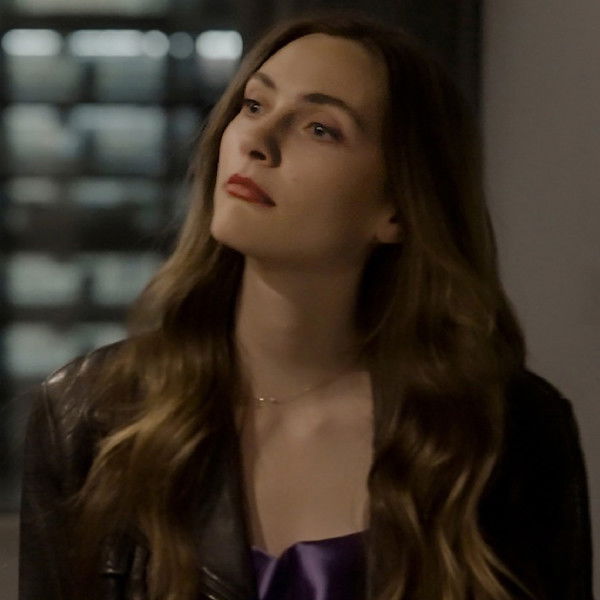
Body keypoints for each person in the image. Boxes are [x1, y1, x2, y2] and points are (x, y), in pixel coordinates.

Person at [18, 10, 593, 600]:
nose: (257, 141)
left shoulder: (504, 434)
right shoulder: (91, 416)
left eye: (319, 128)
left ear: (397, 208)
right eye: (254, 105)